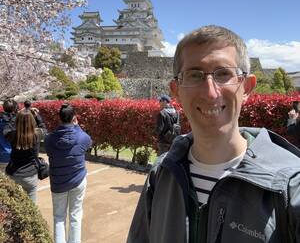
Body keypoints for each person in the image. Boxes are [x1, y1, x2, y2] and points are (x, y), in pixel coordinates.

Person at [127, 25, 300, 243]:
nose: (210, 92)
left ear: (246, 87)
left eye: (224, 74)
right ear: (176, 90)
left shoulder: (289, 187)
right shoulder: (161, 175)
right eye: (194, 75)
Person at [45, 103, 92, 243]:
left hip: (58, 183)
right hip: (78, 180)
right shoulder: (82, 137)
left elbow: (50, 150)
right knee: (75, 216)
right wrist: (76, 126)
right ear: (74, 118)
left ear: (59, 119)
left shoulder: (49, 139)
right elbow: (88, 142)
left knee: (59, 218)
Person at [4, 110, 45, 203]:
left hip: (13, 173)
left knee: (14, 204)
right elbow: (43, 127)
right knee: (31, 206)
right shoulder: (37, 134)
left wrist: (16, 116)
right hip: (30, 174)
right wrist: (37, 116)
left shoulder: (12, 135)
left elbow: (6, 129)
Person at [0, 99, 18, 172]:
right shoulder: (19, 120)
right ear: (15, 108)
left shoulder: (1, 120)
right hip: (17, 155)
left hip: (2, 154)